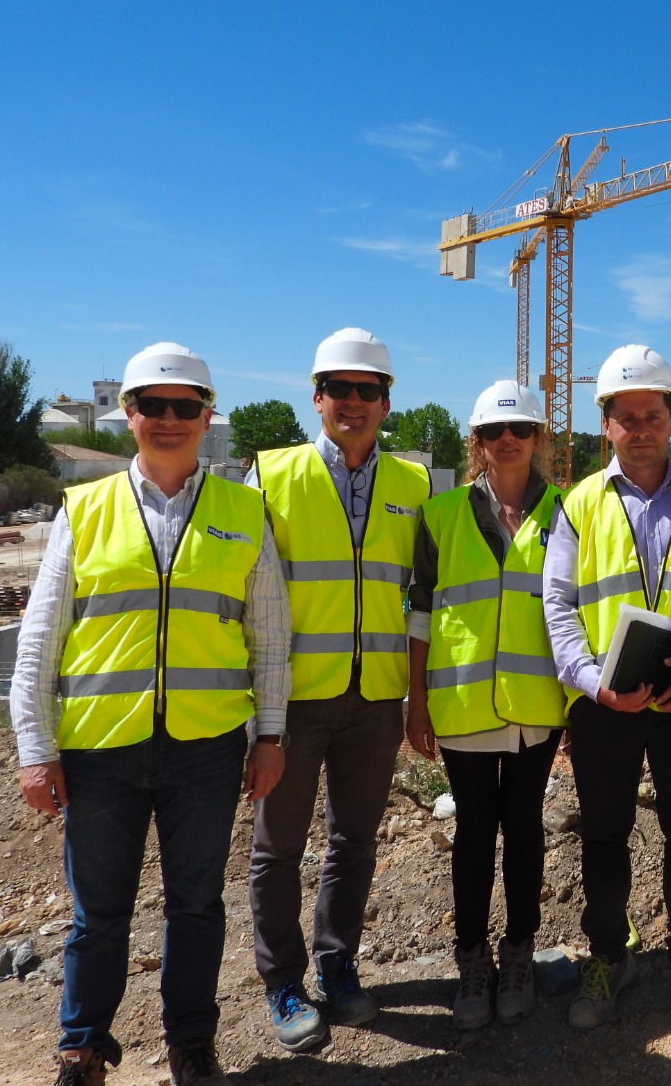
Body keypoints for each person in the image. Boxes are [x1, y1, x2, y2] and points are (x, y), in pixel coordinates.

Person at [10, 343, 291, 1086]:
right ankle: (83, 1045)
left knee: (196, 905)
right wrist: (34, 746)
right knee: (97, 913)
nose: (169, 420)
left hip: (205, 746)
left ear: (207, 417)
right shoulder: (88, 508)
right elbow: (40, 636)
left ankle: (190, 1042)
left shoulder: (243, 509)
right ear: (128, 415)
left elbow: (269, 637)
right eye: (152, 406)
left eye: (185, 406)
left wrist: (270, 736)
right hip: (101, 748)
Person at [245, 328, 431, 1052]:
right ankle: (283, 982)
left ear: (387, 403)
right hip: (292, 701)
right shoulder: (272, 475)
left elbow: (420, 596)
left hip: (377, 696)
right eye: (341, 389)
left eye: (370, 390)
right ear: (317, 397)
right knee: (277, 848)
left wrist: (415, 694)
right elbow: (251, 597)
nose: (355, 402)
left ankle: (338, 964)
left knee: (354, 840)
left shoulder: (413, 485)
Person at [544, 345, 671, 1039]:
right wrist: (591, 686)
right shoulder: (580, 504)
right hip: (605, 708)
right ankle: (607, 957)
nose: (641, 427)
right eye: (626, 416)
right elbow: (558, 605)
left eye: (653, 414)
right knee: (606, 835)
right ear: (605, 425)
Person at [405, 381, 567, 1030]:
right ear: (477, 442)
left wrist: (578, 702)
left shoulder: (568, 513)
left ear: (537, 440)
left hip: (538, 706)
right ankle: (472, 958)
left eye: (520, 431)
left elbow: (578, 616)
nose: (508, 442)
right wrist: (416, 704)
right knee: (474, 833)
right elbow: (419, 616)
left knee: (525, 829)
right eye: (496, 433)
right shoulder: (441, 515)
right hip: (464, 704)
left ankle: (519, 950)